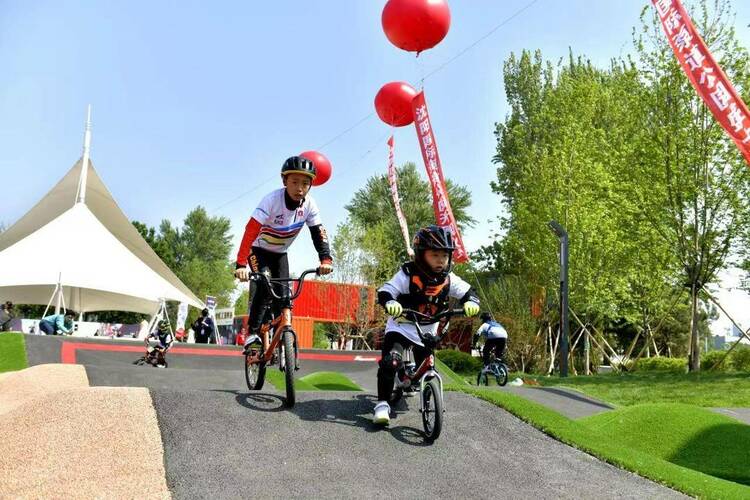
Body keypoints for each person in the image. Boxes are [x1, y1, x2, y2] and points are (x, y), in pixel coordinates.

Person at [372, 225, 481, 425]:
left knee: (427, 367)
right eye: (435, 255)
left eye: (445, 256)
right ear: (422, 255)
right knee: (391, 362)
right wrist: (390, 302)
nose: (441, 260)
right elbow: (386, 290)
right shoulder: (407, 274)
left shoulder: (448, 280)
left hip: (427, 331)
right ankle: (382, 405)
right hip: (401, 327)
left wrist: (472, 302)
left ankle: (415, 381)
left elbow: (469, 292)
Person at [234, 156, 333, 354]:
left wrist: (325, 259)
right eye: (294, 182)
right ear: (284, 181)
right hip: (258, 250)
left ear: (311, 186)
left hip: (280, 254)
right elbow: (250, 231)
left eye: (305, 183)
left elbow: (319, 233)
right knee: (264, 285)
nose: (299, 188)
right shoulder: (271, 201)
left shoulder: (310, 206)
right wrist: (241, 264)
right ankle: (253, 334)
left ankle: (282, 336)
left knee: (285, 297)